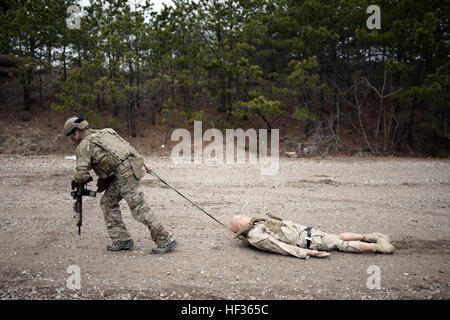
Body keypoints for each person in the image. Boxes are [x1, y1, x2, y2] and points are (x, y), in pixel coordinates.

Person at [64, 116, 178, 254]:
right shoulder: (107, 132)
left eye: (70, 136)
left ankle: (165, 240)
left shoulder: (83, 146)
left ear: (76, 132)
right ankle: (122, 239)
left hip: (123, 176)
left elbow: (82, 173)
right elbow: (128, 148)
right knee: (107, 202)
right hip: (124, 172)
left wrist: (79, 186)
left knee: (140, 209)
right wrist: (142, 163)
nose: (70, 140)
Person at [229, 214, 394, 259]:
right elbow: (279, 247)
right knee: (339, 244)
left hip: (307, 232)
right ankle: (378, 247)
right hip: (308, 241)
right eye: (241, 216)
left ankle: (373, 236)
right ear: (240, 225)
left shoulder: (256, 225)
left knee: (337, 237)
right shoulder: (255, 235)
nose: (245, 215)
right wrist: (307, 253)